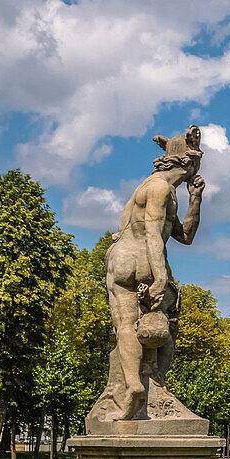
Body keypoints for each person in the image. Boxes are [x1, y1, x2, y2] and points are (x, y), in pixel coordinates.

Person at [88, 126, 204, 423]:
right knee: (139, 326)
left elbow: (185, 236)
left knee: (130, 326)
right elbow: (153, 234)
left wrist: (196, 201)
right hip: (141, 258)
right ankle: (139, 386)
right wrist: (162, 277)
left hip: (126, 262)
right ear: (188, 163)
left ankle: (138, 385)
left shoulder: (167, 193)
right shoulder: (160, 188)